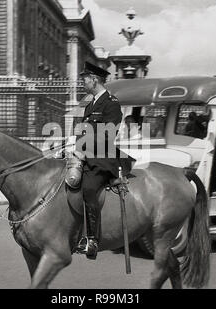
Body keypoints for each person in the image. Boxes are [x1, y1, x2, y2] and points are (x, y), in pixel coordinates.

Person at [73, 62, 136, 260]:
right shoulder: (90, 104)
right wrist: (75, 150)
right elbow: (84, 132)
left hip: (103, 158)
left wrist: (85, 151)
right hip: (88, 155)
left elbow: (108, 135)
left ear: (94, 80)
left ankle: (92, 240)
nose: (82, 82)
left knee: (89, 188)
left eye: (84, 79)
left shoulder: (111, 103)